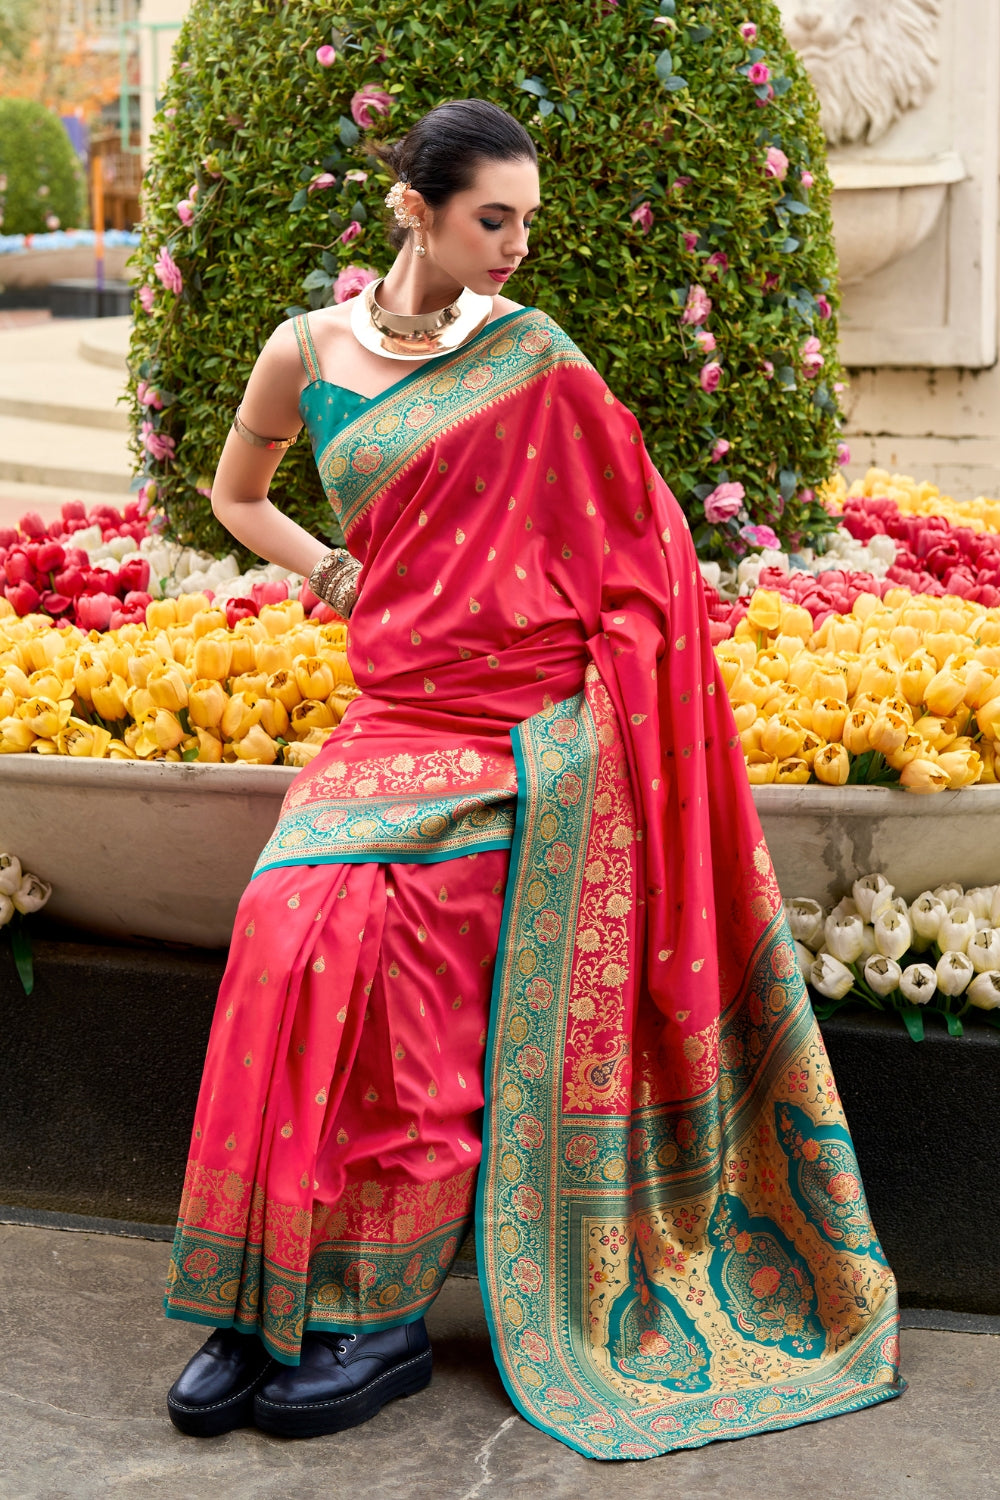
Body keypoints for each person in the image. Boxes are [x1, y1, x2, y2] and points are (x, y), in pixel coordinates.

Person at [164, 98, 903, 1460]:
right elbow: (236, 492)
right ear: (418, 211)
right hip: (394, 712)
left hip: (528, 724)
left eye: (527, 223)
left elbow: (645, 545)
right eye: (490, 219)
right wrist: (331, 569)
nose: (512, 247)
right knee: (287, 918)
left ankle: (374, 1315)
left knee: (402, 924)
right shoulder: (304, 351)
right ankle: (261, 1293)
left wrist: (596, 704)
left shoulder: (537, 362)